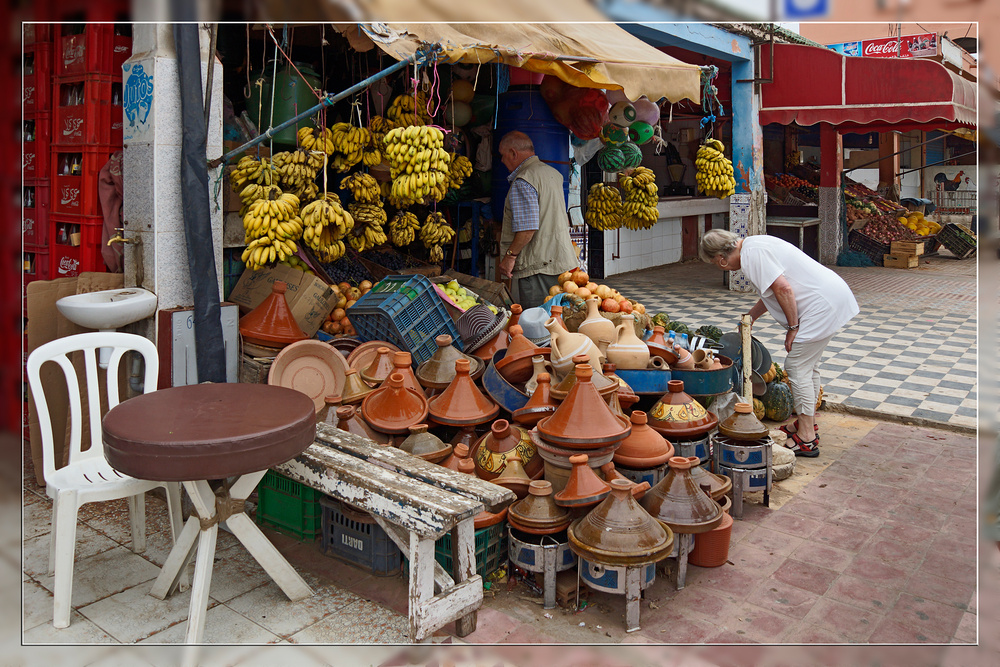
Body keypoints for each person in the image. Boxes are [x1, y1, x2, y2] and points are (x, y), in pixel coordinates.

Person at [700, 229, 859, 457]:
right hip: (830, 297)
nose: (719, 266)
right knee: (808, 367)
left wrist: (793, 328)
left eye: (715, 262)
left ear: (721, 258)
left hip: (821, 306)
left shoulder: (751, 255)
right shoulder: (753, 246)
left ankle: (806, 438)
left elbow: (783, 288)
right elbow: (771, 291)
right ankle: (808, 424)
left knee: (796, 367)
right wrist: (752, 316)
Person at [497, 131, 579, 309]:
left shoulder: (524, 180)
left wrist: (510, 257)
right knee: (558, 318)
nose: (502, 161)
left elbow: (527, 229)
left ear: (513, 153)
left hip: (538, 266)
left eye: (503, 156)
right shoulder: (553, 173)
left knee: (539, 322)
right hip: (561, 260)